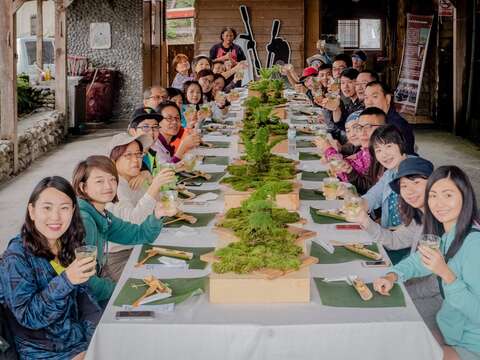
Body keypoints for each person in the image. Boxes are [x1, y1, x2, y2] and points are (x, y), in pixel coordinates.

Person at [373, 166, 480, 360]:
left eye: (448, 195)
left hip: (471, 345)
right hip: (449, 329)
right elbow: (417, 262)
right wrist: (392, 275)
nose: (439, 204)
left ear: (465, 197)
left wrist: (446, 274)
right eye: (433, 196)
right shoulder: (447, 234)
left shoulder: (474, 245)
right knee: (388, 337)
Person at [0, 176, 101, 359]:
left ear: (73, 211)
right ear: (32, 211)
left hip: (77, 341)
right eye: (47, 208)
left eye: (64, 208)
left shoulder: (69, 245)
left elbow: (86, 299)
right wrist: (66, 280)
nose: (55, 217)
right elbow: (28, 316)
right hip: (42, 352)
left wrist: (96, 337)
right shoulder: (16, 258)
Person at [72, 156, 176, 303]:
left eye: (112, 179)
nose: (108, 186)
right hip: (80, 301)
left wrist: (156, 215)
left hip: (94, 285)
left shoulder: (102, 215)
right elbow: (86, 280)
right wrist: (119, 288)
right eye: (99, 181)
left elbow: (139, 234)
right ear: (83, 187)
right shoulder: (85, 220)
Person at [104, 133, 176, 281]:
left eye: (138, 154)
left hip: (141, 245)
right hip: (120, 257)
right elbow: (134, 222)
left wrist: (149, 179)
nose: (135, 160)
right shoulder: (113, 188)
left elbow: (158, 206)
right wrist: (154, 185)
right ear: (113, 160)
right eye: (128, 155)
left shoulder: (135, 177)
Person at [362, 125, 410, 228]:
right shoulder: (390, 173)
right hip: (389, 235)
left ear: (401, 144)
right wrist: (355, 203)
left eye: (389, 146)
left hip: (407, 240)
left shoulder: (416, 175)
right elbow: (373, 196)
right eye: (378, 150)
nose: (384, 155)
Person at [364, 80, 415, 154]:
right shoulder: (373, 119)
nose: (368, 102)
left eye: (374, 97)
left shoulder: (397, 126)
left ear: (388, 98)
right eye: (366, 98)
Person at [127, 107, 162, 176]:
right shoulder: (125, 155)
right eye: (145, 127)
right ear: (132, 132)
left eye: (155, 127)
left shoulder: (150, 153)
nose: (151, 132)